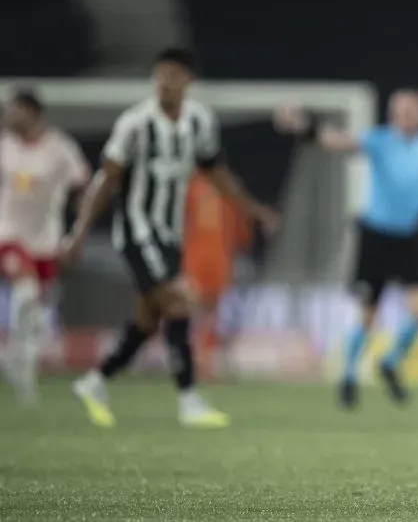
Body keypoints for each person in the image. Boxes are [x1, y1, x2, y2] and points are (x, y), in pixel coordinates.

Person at [62, 47, 278, 428]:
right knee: (180, 304)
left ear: (189, 80)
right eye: (160, 74)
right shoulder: (134, 124)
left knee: (148, 319)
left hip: (170, 234)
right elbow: (106, 180)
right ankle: (189, 399)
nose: (164, 81)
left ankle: (96, 380)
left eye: (173, 74)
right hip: (136, 231)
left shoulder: (199, 122)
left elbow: (217, 173)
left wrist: (253, 209)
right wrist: (79, 231)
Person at [274, 88, 418, 409]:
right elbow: (334, 141)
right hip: (376, 235)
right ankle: (349, 376)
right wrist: (304, 125)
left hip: (409, 236)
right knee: (368, 314)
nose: (408, 115)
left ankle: (390, 362)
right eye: (402, 110)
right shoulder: (379, 140)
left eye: (414, 110)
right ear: (393, 114)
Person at [0, 90, 91, 404]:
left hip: (47, 238)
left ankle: (23, 371)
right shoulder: (5, 147)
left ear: (31, 112)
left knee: (38, 313)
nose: (9, 117)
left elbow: (83, 187)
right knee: (24, 291)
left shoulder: (60, 148)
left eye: (15, 111)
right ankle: (11, 355)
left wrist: (78, 232)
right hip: (9, 233)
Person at [182, 173, 253, 378]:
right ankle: (198, 360)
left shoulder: (203, 185)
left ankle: (206, 361)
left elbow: (239, 223)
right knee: (200, 310)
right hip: (201, 257)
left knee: (211, 311)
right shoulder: (194, 185)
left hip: (216, 258)